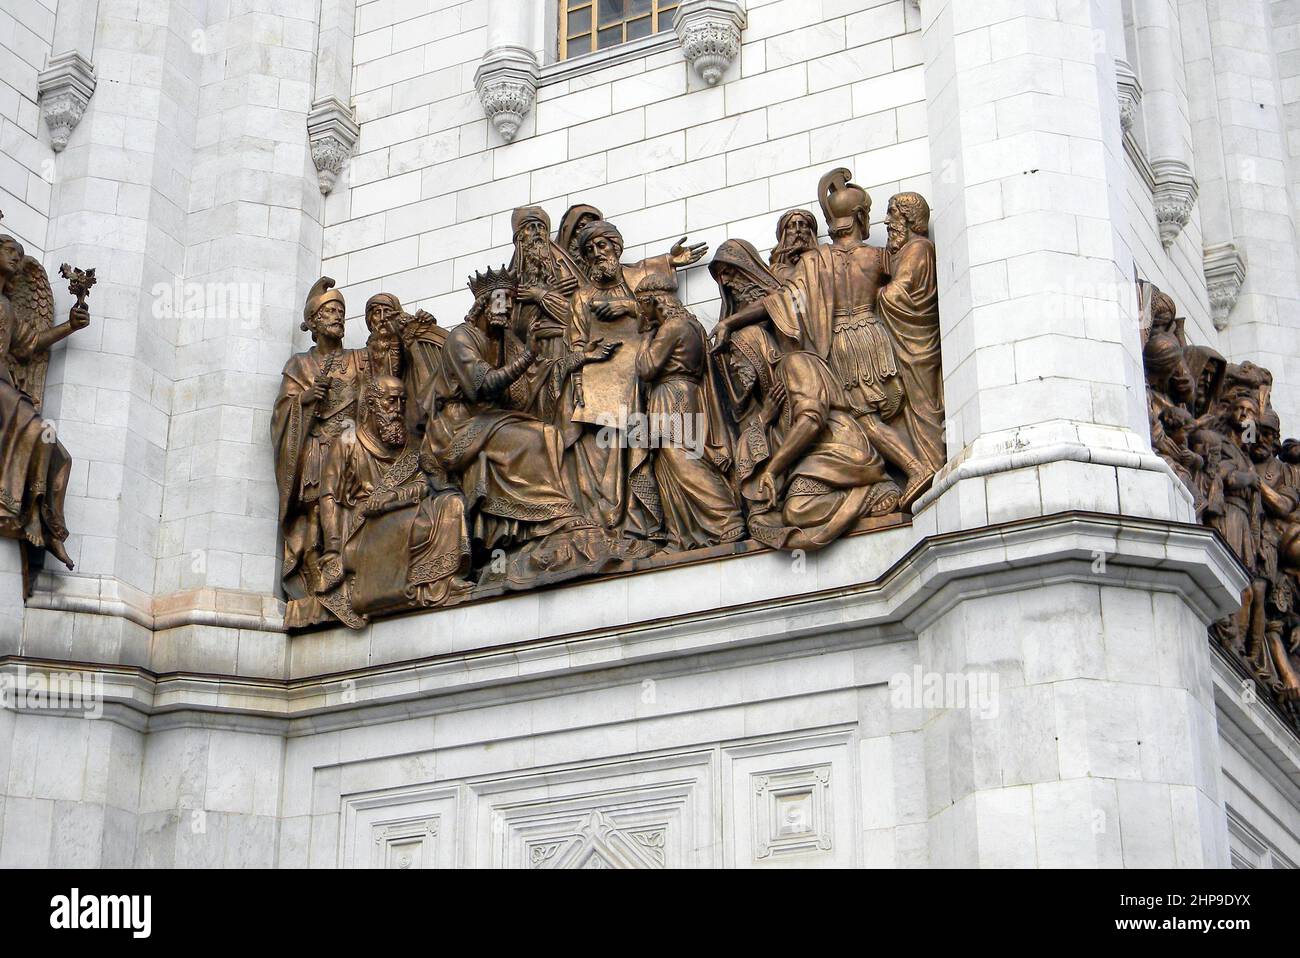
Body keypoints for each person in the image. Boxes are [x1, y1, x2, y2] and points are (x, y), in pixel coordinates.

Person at [711, 168, 930, 506]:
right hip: (874, 338)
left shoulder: (815, 261)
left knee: (866, 419)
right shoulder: (878, 256)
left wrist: (731, 321)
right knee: (872, 416)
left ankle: (914, 468)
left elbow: (776, 303)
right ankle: (897, 471)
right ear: (860, 218)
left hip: (841, 343)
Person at [319, 375, 474, 625]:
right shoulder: (348, 442)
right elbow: (329, 497)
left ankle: (444, 579)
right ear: (372, 404)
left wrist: (394, 496)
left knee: (451, 503)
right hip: (364, 526)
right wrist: (333, 548)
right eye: (391, 401)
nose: (399, 409)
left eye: (403, 401)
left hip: (404, 509)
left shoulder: (409, 445)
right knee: (410, 526)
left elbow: (424, 483)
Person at [272, 277, 370, 628]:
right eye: (329, 311)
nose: (337, 317)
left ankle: (348, 576)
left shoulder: (360, 360)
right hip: (318, 448)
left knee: (350, 511)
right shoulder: (300, 365)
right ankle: (316, 587)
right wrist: (305, 401)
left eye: (341, 312)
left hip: (352, 448)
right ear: (313, 322)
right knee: (314, 516)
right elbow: (283, 412)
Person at [633, 276, 745, 550]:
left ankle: (726, 519)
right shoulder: (691, 323)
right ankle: (678, 535)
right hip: (684, 393)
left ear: (653, 301)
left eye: (641, 306)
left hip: (673, 396)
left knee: (681, 459)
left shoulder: (672, 327)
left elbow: (647, 368)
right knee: (672, 462)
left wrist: (646, 337)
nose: (640, 313)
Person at [878, 191, 944, 476]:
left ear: (908, 217)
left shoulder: (918, 248)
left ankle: (932, 465)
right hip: (908, 341)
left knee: (923, 406)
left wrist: (874, 294)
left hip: (916, 344)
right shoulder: (905, 252)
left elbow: (897, 294)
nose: (887, 221)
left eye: (892, 214)